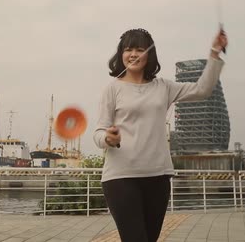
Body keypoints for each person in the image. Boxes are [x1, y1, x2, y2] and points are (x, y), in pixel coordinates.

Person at [93, 27, 228, 242]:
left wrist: (214, 53)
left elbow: (203, 89)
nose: (133, 54)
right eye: (128, 49)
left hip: (158, 177)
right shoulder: (112, 89)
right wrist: (108, 138)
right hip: (120, 178)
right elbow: (99, 132)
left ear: (150, 54)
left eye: (139, 49)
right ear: (121, 54)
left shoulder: (163, 87)